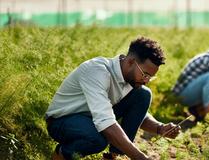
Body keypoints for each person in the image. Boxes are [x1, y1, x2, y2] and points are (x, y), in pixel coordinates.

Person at [45, 37, 181, 160]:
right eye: (145, 75)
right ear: (131, 62)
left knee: (143, 94)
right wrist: (140, 157)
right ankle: (61, 155)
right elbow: (106, 122)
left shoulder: (129, 78)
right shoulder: (97, 71)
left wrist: (160, 128)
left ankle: (112, 156)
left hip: (91, 117)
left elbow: (136, 115)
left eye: (150, 77)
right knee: (97, 139)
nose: (147, 80)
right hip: (63, 121)